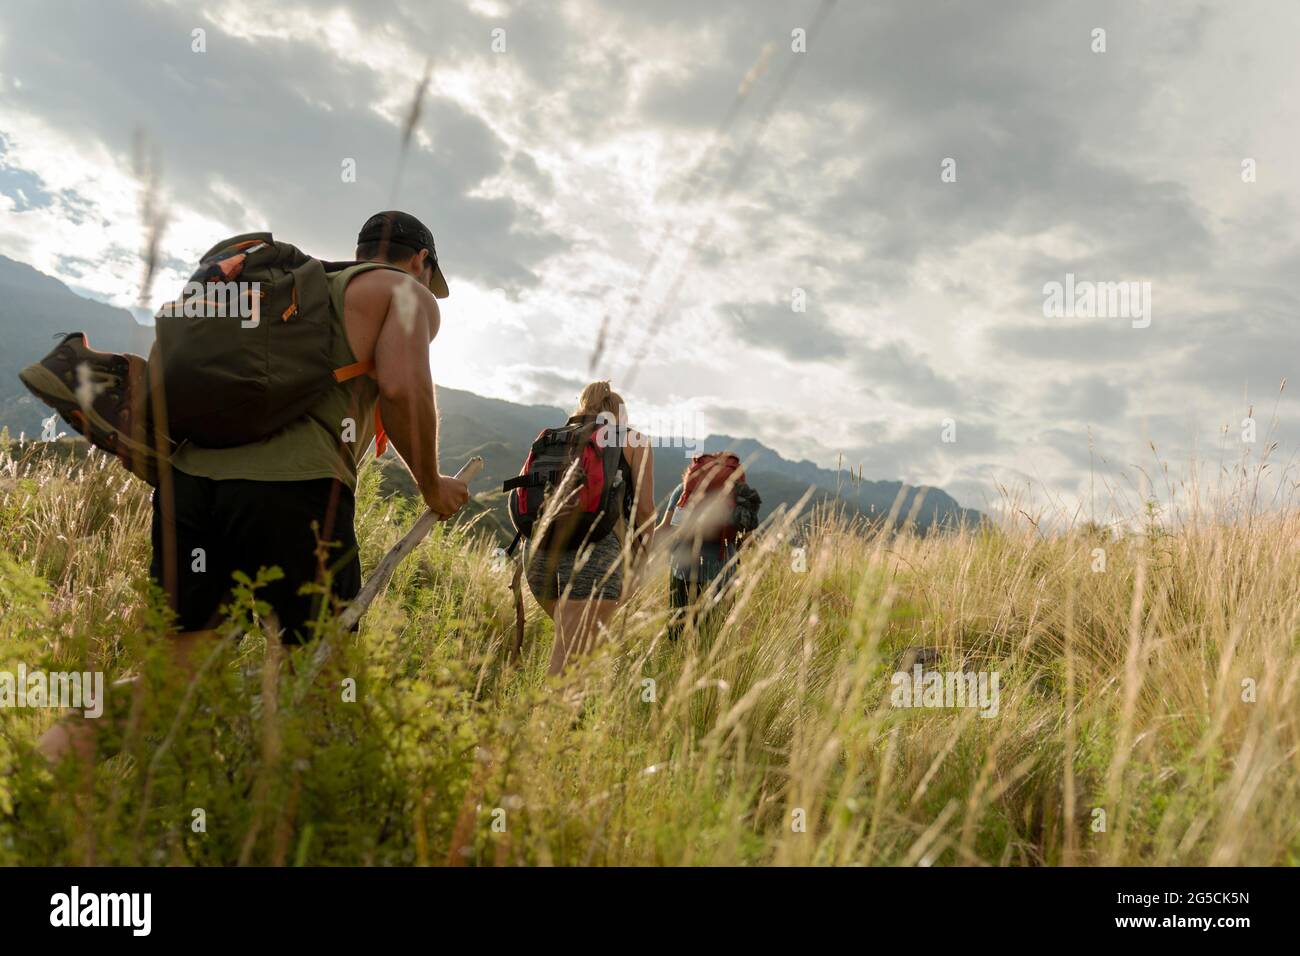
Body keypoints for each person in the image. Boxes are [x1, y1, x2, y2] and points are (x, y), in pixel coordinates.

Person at [35, 210, 469, 761]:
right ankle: (296, 828)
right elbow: (405, 390)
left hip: (189, 486)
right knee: (320, 678)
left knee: (174, 678)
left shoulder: (296, 290)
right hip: (294, 493)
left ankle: (37, 775)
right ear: (422, 261)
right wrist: (432, 485)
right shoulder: (404, 292)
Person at [522, 382, 656, 675]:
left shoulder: (550, 437)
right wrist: (641, 563)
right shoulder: (633, 441)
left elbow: (521, 496)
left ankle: (568, 715)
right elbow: (645, 511)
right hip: (595, 555)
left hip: (538, 555)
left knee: (573, 648)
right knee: (569, 661)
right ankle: (547, 719)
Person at [656, 454, 759, 641]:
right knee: (712, 637)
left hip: (683, 569)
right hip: (722, 572)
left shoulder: (683, 490)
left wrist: (634, 542)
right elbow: (747, 540)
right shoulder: (737, 493)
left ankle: (674, 665)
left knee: (676, 632)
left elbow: (665, 528)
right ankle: (706, 666)